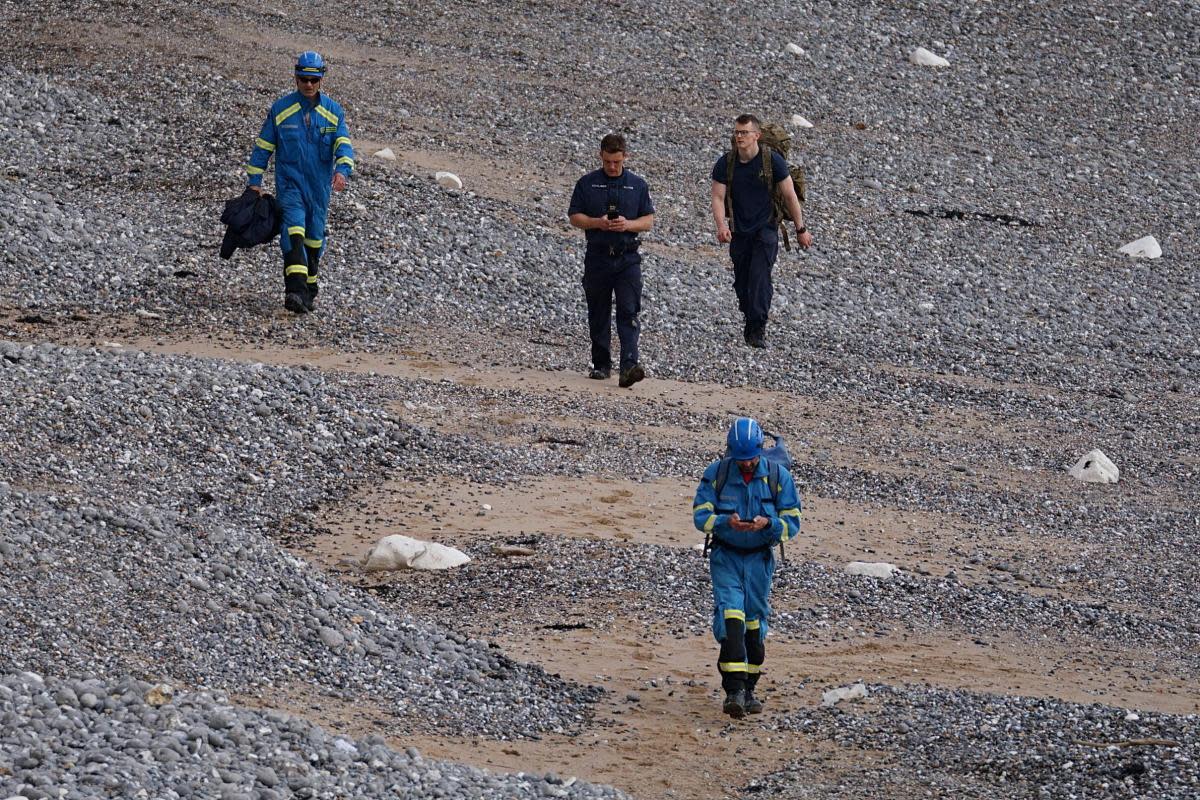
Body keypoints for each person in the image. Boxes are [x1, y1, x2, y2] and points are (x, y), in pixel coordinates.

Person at [692, 417, 802, 718]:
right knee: (732, 617)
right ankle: (734, 691)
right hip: (726, 557)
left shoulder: (779, 478)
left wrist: (770, 524)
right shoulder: (717, 474)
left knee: (754, 624)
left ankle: (750, 689)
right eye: (740, 461)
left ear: (760, 452)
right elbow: (700, 516)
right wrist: (725, 522)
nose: (746, 466)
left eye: (751, 460)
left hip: (759, 561)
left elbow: (793, 523)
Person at [244, 51, 354, 314]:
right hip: (290, 186)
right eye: (304, 79)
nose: (308, 84)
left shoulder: (333, 112)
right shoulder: (281, 110)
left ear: (321, 79)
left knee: (314, 241)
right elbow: (263, 147)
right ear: (295, 77)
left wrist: (343, 170)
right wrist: (254, 181)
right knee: (293, 232)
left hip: (319, 191)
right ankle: (294, 291)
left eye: (313, 80)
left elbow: (344, 144)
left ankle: (309, 291)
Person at [710, 114, 812, 348]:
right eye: (736, 132)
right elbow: (717, 197)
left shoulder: (772, 161)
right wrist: (721, 226)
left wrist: (801, 229)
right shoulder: (725, 163)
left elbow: (789, 195)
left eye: (744, 133)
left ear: (757, 135)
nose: (739, 137)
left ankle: (757, 328)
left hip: (766, 228)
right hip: (739, 231)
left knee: (760, 278)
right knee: (742, 282)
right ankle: (750, 315)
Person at [568, 134, 656, 388]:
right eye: (608, 161)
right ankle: (601, 364)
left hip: (627, 257)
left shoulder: (637, 185)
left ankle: (629, 365)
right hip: (597, 255)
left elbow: (648, 221)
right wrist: (598, 222)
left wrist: (627, 224)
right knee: (598, 312)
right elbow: (574, 216)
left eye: (616, 162)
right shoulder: (587, 183)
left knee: (629, 311)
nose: (612, 166)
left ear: (625, 157)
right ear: (601, 156)